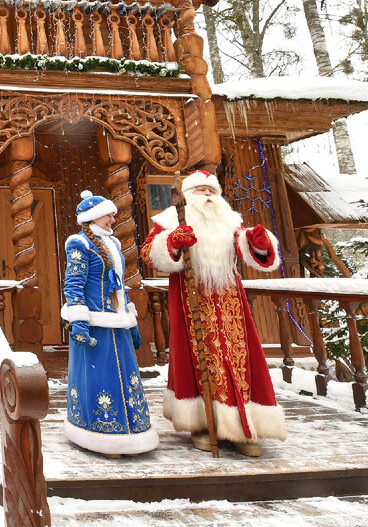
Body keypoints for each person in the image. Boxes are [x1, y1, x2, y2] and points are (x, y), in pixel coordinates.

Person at [140, 169, 287, 457]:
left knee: (238, 357)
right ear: (187, 195)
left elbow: (255, 255)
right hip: (191, 298)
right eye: (200, 191)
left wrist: (258, 242)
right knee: (198, 358)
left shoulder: (230, 221)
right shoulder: (171, 219)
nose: (207, 196)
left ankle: (243, 426)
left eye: (211, 191)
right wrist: (171, 243)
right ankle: (203, 424)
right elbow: (148, 253)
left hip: (229, 299)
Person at [61, 192, 158, 456]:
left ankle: (132, 431)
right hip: (95, 324)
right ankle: (100, 432)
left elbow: (119, 286)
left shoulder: (113, 242)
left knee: (125, 376)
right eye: (109, 215)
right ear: (94, 216)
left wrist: (131, 320)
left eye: (113, 214)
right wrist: (79, 322)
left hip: (117, 321)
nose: (113, 219)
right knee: (100, 376)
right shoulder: (79, 244)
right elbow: (74, 284)